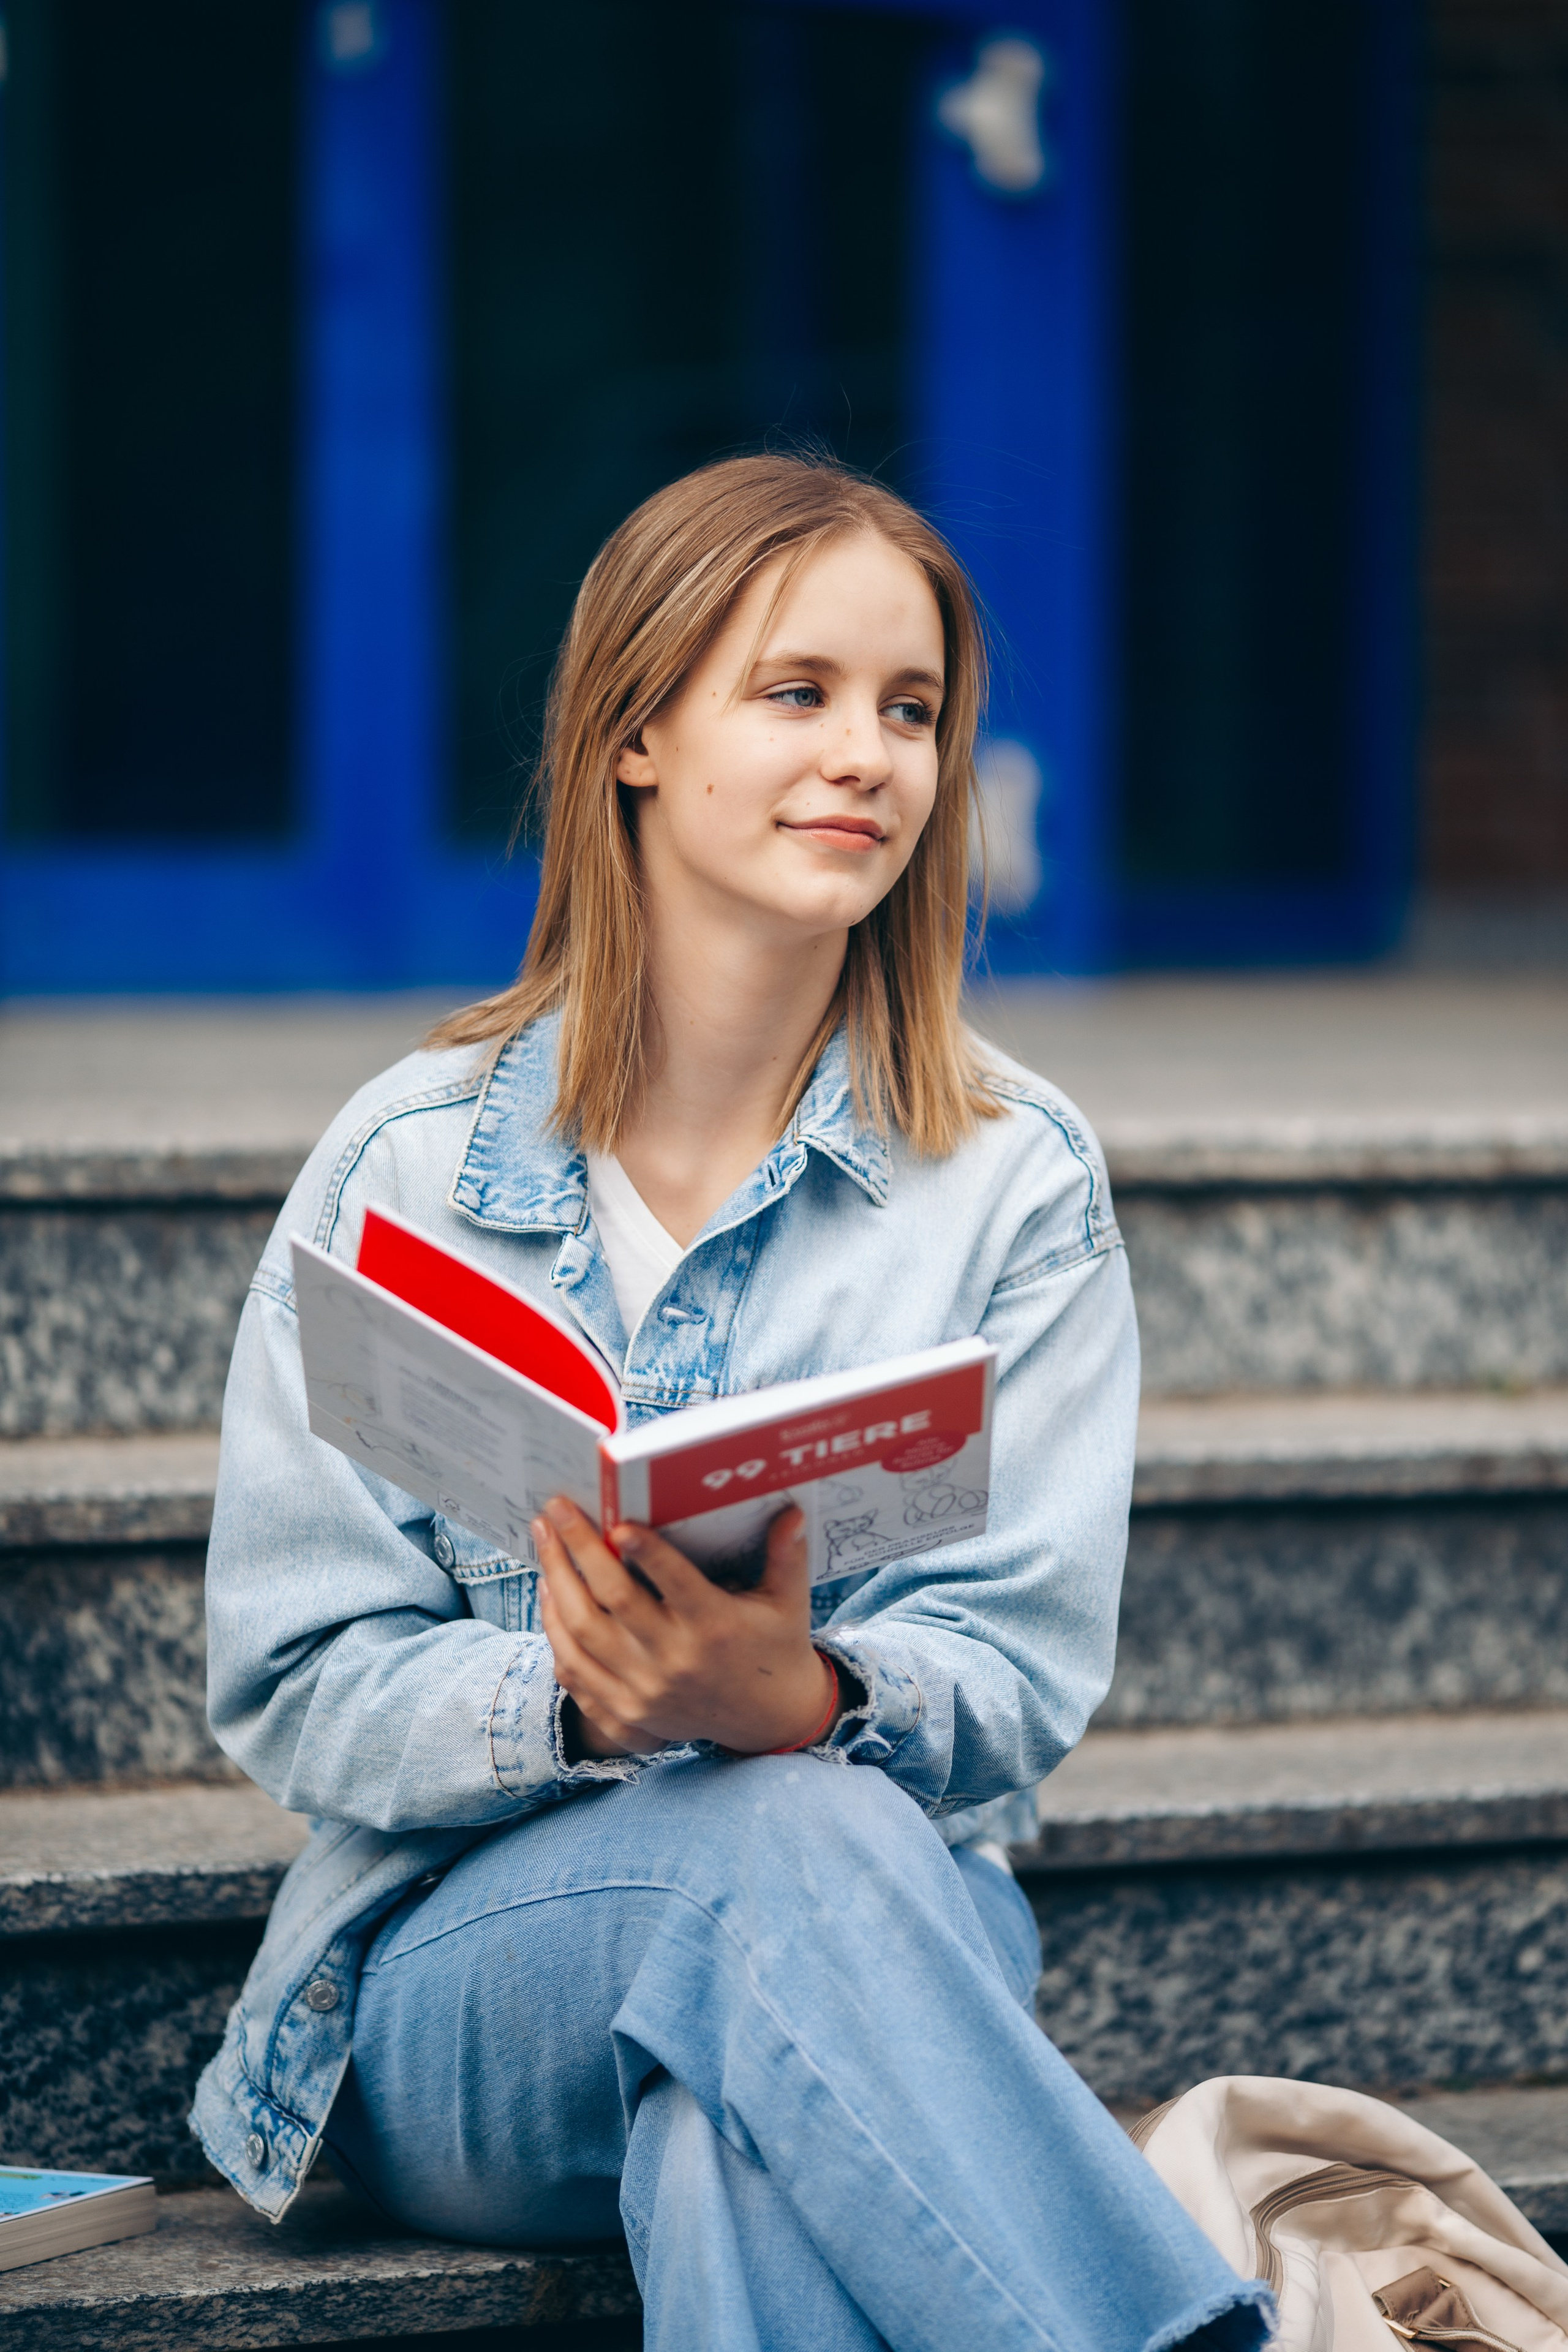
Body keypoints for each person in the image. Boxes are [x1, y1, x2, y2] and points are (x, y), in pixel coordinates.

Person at [192, 454, 1270, 2351]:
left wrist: (811, 1703)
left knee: (738, 2132)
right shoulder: (405, 1171)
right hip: (466, 1984)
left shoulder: (1012, 1177)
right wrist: (581, 1697)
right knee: (781, 1850)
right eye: (800, 692)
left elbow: (1020, 1663)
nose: (868, 751)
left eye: (912, 708)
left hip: (882, 1939)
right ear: (632, 735)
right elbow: (296, 1678)